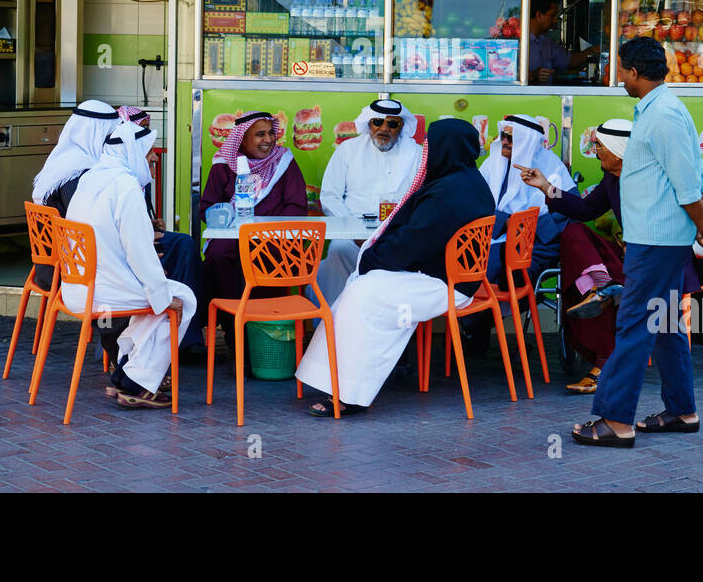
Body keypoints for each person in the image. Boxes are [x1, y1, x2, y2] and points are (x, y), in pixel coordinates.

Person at [552, 37, 703, 447]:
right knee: (664, 325)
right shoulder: (658, 110)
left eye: (621, 70)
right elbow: (692, 177)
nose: (620, 78)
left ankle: (616, 421)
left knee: (632, 325)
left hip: (657, 242)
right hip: (658, 239)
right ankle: (682, 411)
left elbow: (688, 185)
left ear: (632, 72)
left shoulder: (662, 114)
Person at [296, 118, 495, 417]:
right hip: (445, 276)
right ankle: (336, 380)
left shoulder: (449, 192)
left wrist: (374, 259)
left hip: (446, 285)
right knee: (359, 288)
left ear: (444, 149)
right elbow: (418, 241)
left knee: (365, 296)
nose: (426, 151)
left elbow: (413, 243)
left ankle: (351, 393)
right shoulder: (467, 181)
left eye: (431, 145)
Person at [523, 119, 703, 395]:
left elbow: (678, 218)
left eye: (599, 145)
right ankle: (600, 285)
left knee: (617, 298)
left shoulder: (653, 177)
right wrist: (546, 187)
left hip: (659, 263)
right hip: (631, 258)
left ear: (618, 149)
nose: (595, 151)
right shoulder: (611, 179)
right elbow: (585, 209)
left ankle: (604, 361)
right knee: (574, 233)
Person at [64, 121, 196, 410]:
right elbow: (140, 253)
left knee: (160, 298)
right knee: (183, 299)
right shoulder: (126, 187)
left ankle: (126, 372)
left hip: (77, 287)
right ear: (133, 151)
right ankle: (137, 383)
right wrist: (162, 296)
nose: (155, 157)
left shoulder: (92, 177)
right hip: (103, 292)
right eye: (149, 150)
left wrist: (157, 292)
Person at [460, 114, 575, 353]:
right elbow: (473, 204)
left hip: (534, 245)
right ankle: (472, 326)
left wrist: (511, 224)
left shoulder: (551, 169)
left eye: (513, 138)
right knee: (461, 261)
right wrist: (506, 222)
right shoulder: (492, 163)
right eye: (504, 136)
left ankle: (474, 326)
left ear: (528, 142)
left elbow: (561, 218)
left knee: (493, 267)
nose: (505, 142)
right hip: (490, 238)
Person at [197, 112, 308, 346]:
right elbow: (206, 208)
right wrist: (226, 214)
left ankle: (265, 332)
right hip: (234, 237)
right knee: (218, 256)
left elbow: (297, 206)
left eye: (270, 133)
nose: (268, 139)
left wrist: (264, 231)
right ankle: (233, 330)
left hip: (274, 240)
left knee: (264, 256)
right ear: (241, 139)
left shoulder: (284, 162)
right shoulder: (223, 165)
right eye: (260, 134)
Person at [315, 98, 424, 303]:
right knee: (338, 252)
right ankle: (333, 326)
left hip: (397, 234)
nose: (384, 129)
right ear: (368, 123)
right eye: (377, 122)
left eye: (392, 124)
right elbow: (330, 195)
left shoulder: (416, 154)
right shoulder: (348, 149)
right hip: (351, 233)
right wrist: (354, 232)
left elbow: (421, 199)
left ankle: (384, 329)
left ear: (401, 127)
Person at [29, 100, 118, 289]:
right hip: (69, 273)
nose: (111, 142)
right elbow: (90, 225)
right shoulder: (78, 172)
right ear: (95, 135)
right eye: (108, 136)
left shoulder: (60, 163)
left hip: (46, 269)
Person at [528, 0, 599, 85]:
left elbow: (569, 61)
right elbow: (504, 74)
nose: (555, 21)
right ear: (539, 15)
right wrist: (532, 75)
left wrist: (592, 50)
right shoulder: (516, 43)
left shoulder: (547, 43)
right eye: (552, 16)